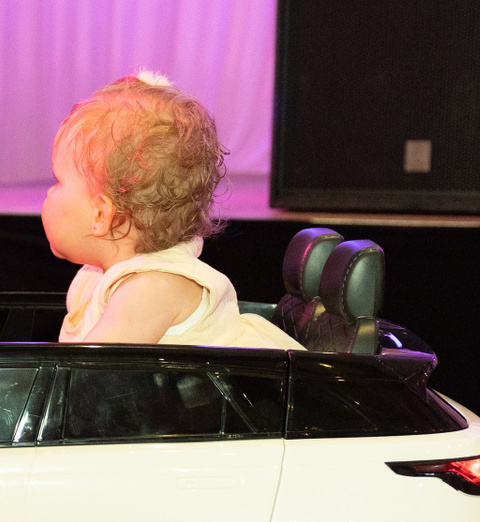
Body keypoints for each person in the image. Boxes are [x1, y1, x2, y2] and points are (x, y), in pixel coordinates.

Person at [42, 72, 300, 350]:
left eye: (58, 181)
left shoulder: (148, 290)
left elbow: (89, 373)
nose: (49, 193)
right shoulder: (102, 275)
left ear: (101, 215)